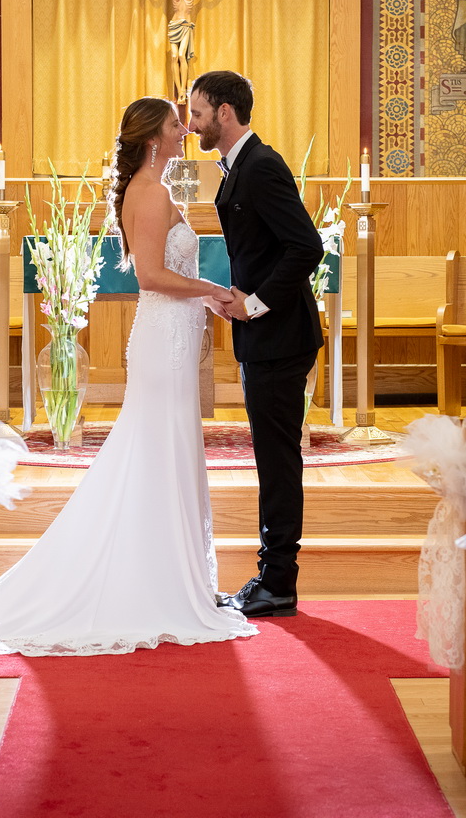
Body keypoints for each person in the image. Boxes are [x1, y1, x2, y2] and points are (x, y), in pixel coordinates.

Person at [0, 97, 257, 655]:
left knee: (164, 452)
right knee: (158, 449)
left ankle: (163, 573)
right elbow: (152, 277)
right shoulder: (151, 194)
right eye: (177, 124)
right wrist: (214, 292)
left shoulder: (153, 188)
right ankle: (154, 584)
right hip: (163, 340)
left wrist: (207, 303)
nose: (186, 130)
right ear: (155, 138)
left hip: (171, 336)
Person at [189, 70, 324, 618]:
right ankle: (271, 577)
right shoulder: (238, 167)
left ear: (225, 112)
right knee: (271, 459)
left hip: (280, 337)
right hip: (263, 337)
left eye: (198, 112)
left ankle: (278, 583)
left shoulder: (261, 165)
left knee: (277, 460)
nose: (192, 123)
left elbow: (306, 246)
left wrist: (255, 303)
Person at [123, 0, 240, 102]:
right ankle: (179, 91)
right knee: (173, 57)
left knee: (181, 56)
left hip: (186, 25)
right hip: (174, 25)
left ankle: (183, 92)